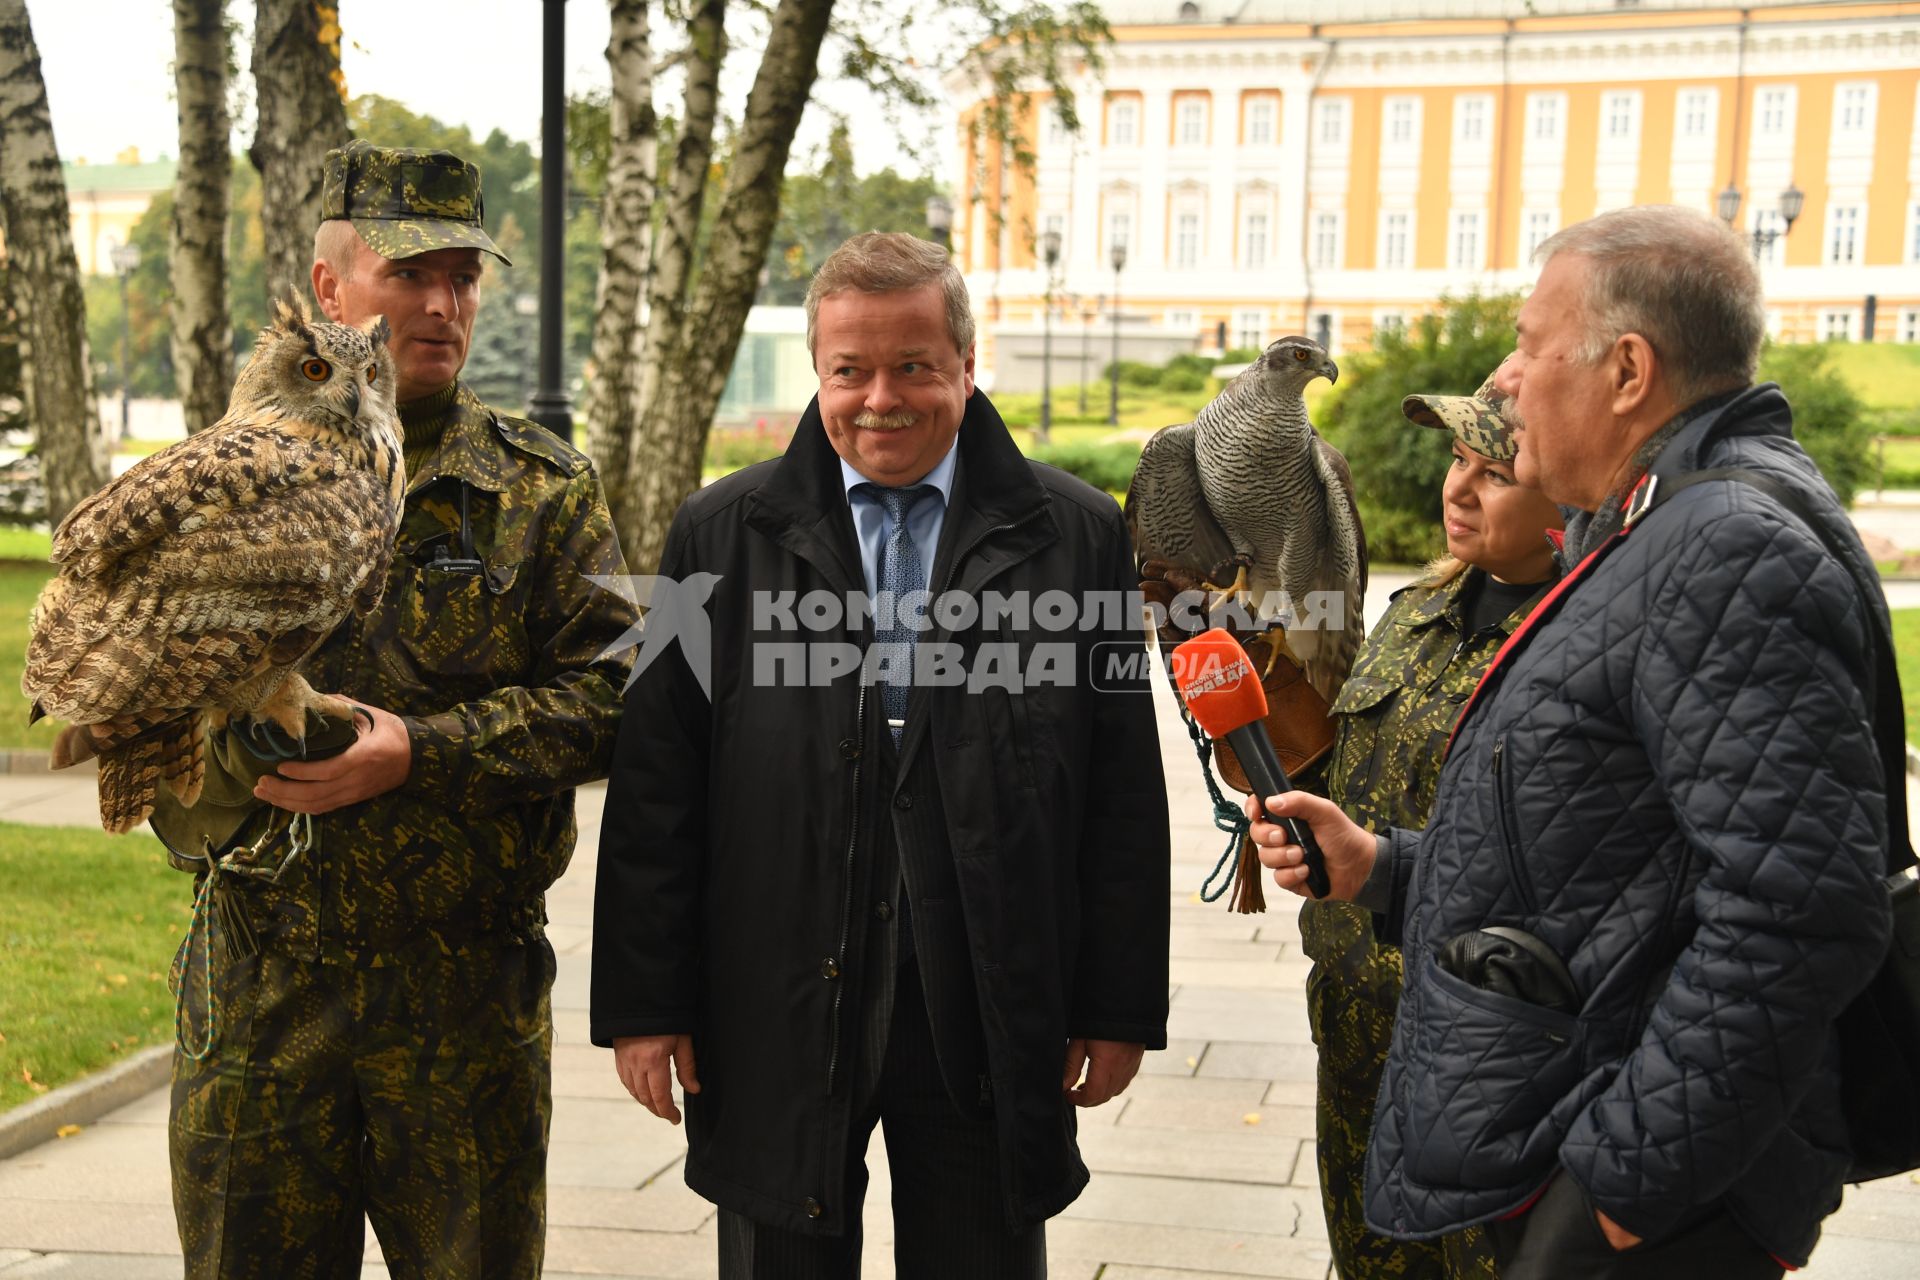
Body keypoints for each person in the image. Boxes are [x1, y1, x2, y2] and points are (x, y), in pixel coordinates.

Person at [1248, 205, 1895, 1279]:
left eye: (1529, 343)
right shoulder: (1662, 521)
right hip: (1592, 1141)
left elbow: (1803, 910)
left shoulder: (1723, 543)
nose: (1505, 379)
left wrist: (1623, 1189)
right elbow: (1621, 866)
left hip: (1640, 1196)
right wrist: (1383, 868)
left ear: (1628, 368)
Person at [590, 230, 1171, 1278]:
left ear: (966, 364)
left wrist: (1117, 1004)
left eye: (914, 366)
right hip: (774, 999)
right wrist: (645, 1004)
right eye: (849, 370)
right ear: (819, 371)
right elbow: (655, 781)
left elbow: (1122, 793)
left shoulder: (1077, 537)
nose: (880, 398)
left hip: (986, 1003)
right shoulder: (713, 533)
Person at [159, 140, 637, 1278]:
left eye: (463, 275)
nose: (440, 302)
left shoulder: (542, 486)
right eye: (408, 272)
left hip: (462, 1000)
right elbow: (148, 696)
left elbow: (626, 690)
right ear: (331, 291)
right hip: (260, 989)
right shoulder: (221, 479)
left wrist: (425, 750)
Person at [1303, 362, 1559, 1280]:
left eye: (1495, 471)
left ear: (1565, 492)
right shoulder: (1416, 611)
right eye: (1457, 457)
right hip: (1359, 1025)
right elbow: (1355, 771)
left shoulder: (1575, 638)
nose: (1457, 485)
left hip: (1486, 1050)